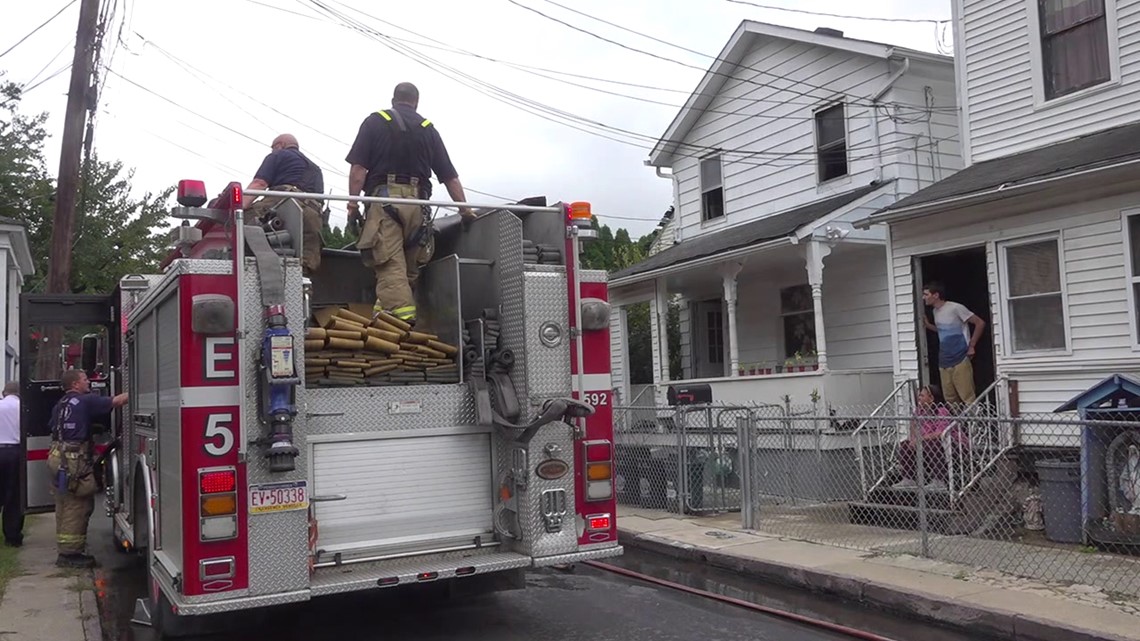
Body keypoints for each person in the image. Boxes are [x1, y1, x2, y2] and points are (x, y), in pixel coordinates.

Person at [345, 81, 475, 325]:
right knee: (408, 270)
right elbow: (450, 177)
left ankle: (400, 324)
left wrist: (352, 206)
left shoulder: (374, 121)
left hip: (384, 203)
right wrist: (464, 210)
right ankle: (384, 320)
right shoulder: (429, 130)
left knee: (389, 264)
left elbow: (358, 170)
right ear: (416, 102)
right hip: (419, 207)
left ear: (393, 100)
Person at [47, 370, 128, 568]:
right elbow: (117, 401)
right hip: (74, 460)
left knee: (64, 503)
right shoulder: (85, 401)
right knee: (79, 504)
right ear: (75, 384)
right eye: (84, 379)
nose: (88, 382)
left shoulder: (61, 405)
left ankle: (66, 550)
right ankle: (70, 555)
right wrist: (137, 388)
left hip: (58, 457)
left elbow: (53, 427)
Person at [244, 133, 327, 276]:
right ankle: (302, 289)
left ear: (280, 145)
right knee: (304, 266)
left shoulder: (278, 155)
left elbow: (260, 184)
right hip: (313, 215)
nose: (272, 151)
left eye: (273, 148)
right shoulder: (316, 169)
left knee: (240, 220)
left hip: (283, 202)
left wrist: (239, 206)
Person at [922, 281, 986, 406]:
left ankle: (975, 424)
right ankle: (958, 425)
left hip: (960, 357)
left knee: (967, 396)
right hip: (944, 360)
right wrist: (929, 326)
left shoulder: (955, 307)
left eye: (926, 294)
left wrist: (972, 346)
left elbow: (980, 323)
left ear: (936, 295)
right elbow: (943, 330)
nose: (924, 297)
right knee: (950, 399)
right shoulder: (935, 312)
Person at [893, 384, 965, 491]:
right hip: (927, 445)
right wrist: (913, 439)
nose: (919, 398)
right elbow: (913, 426)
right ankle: (909, 479)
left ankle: (939, 481)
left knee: (933, 443)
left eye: (922, 396)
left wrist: (920, 439)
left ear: (931, 398)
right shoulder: (919, 411)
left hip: (952, 445)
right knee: (905, 444)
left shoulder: (941, 411)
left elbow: (941, 433)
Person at [0, 382, 22, 547]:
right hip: (15, 452)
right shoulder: (23, 408)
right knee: (14, 496)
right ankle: (12, 537)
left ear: (3, 392)